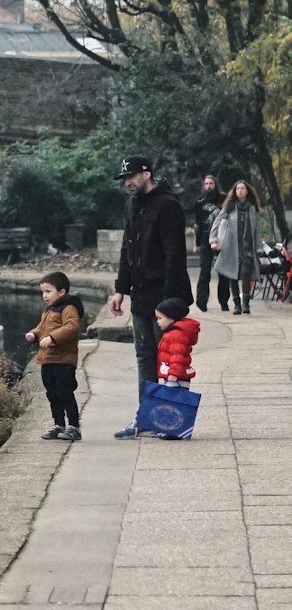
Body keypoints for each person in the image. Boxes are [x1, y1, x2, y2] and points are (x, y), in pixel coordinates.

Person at [108, 155, 192, 439]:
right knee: (144, 356)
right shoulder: (131, 204)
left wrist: (169, 303)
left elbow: (175, 255)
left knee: (168, 359)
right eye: (125, 179)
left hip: (162, 294)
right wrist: (120, 289)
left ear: (147, 174)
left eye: (131, 177)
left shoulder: (168, 205)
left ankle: (169, 420)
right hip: (140, 295)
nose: (128, 183)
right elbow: (126, 249)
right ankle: (146, 416)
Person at [25, 271, 83, 441]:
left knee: (65, 392)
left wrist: (52, 338)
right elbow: (41, 327)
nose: (44, 296)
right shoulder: (50, 309)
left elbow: (72, 327)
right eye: (43, 292)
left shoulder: (68, 308)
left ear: (62, 292)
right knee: (52, 393)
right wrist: (34, 334)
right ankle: (58, 424)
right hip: (48, 359)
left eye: (48, 291)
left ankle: (74, 426)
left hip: (63, 360)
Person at [211, 179, 261, 315]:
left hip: (247, 248)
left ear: (247, 191)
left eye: (242, 188)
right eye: (238, 189)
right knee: (232, 275)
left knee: (245, 274)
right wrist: (213, 239)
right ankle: (237, 305)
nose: (240, 191)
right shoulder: (230, 206)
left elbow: (257, 230)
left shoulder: (252, 208)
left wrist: (259, 247)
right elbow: (217, 221)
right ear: (234, 191)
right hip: (231, 247)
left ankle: (246, 304)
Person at [192, 174, 226, 313]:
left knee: (223, 272)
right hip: (205, 239)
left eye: (211, 183)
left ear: (215, 184)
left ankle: (224, 301)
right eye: (206, 184)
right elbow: (197, 225)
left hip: (221, 238)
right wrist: (196, 243)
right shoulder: (199, 202)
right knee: (205, 271)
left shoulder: (223, 200)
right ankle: (201, 301)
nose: (208, 186)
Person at [154, 297, 199, 387]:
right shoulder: (173, 333)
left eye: (160, 318)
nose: (157, 322)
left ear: (171, 319)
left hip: (176, 377)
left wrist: (174, 373)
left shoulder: (175, 335)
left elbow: (178, 356)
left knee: (172, 396)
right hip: (174, 375)